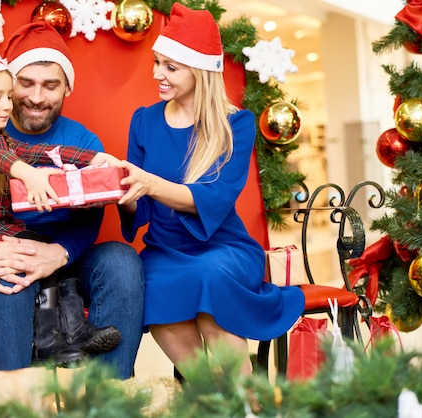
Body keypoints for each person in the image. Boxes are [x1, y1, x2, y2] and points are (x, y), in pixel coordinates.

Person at [0, 22, 144, 378]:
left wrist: (58, 254)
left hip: (63, 262)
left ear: (67, 86)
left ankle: (110, 397)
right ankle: (10, 402)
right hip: (0, 255)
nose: (37, 97)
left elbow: (89, 219)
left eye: (50, 85)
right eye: (25, 84)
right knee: (11, 272)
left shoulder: (82, 139)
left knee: (121, 260)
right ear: (7, 83)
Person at [117, 3, 305, 378]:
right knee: (151, 284)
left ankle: (245, 398)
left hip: (224, 248)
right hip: (164, 249)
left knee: (210, 275)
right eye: (157, 63)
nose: (157, 74)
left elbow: (215, 198)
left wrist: (149, 182)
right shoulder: (144, 121)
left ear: (201, 71)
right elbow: (139, 211)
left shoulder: (236, 124)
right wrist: (123, 195)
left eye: (170, 67)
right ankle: (212, 396)